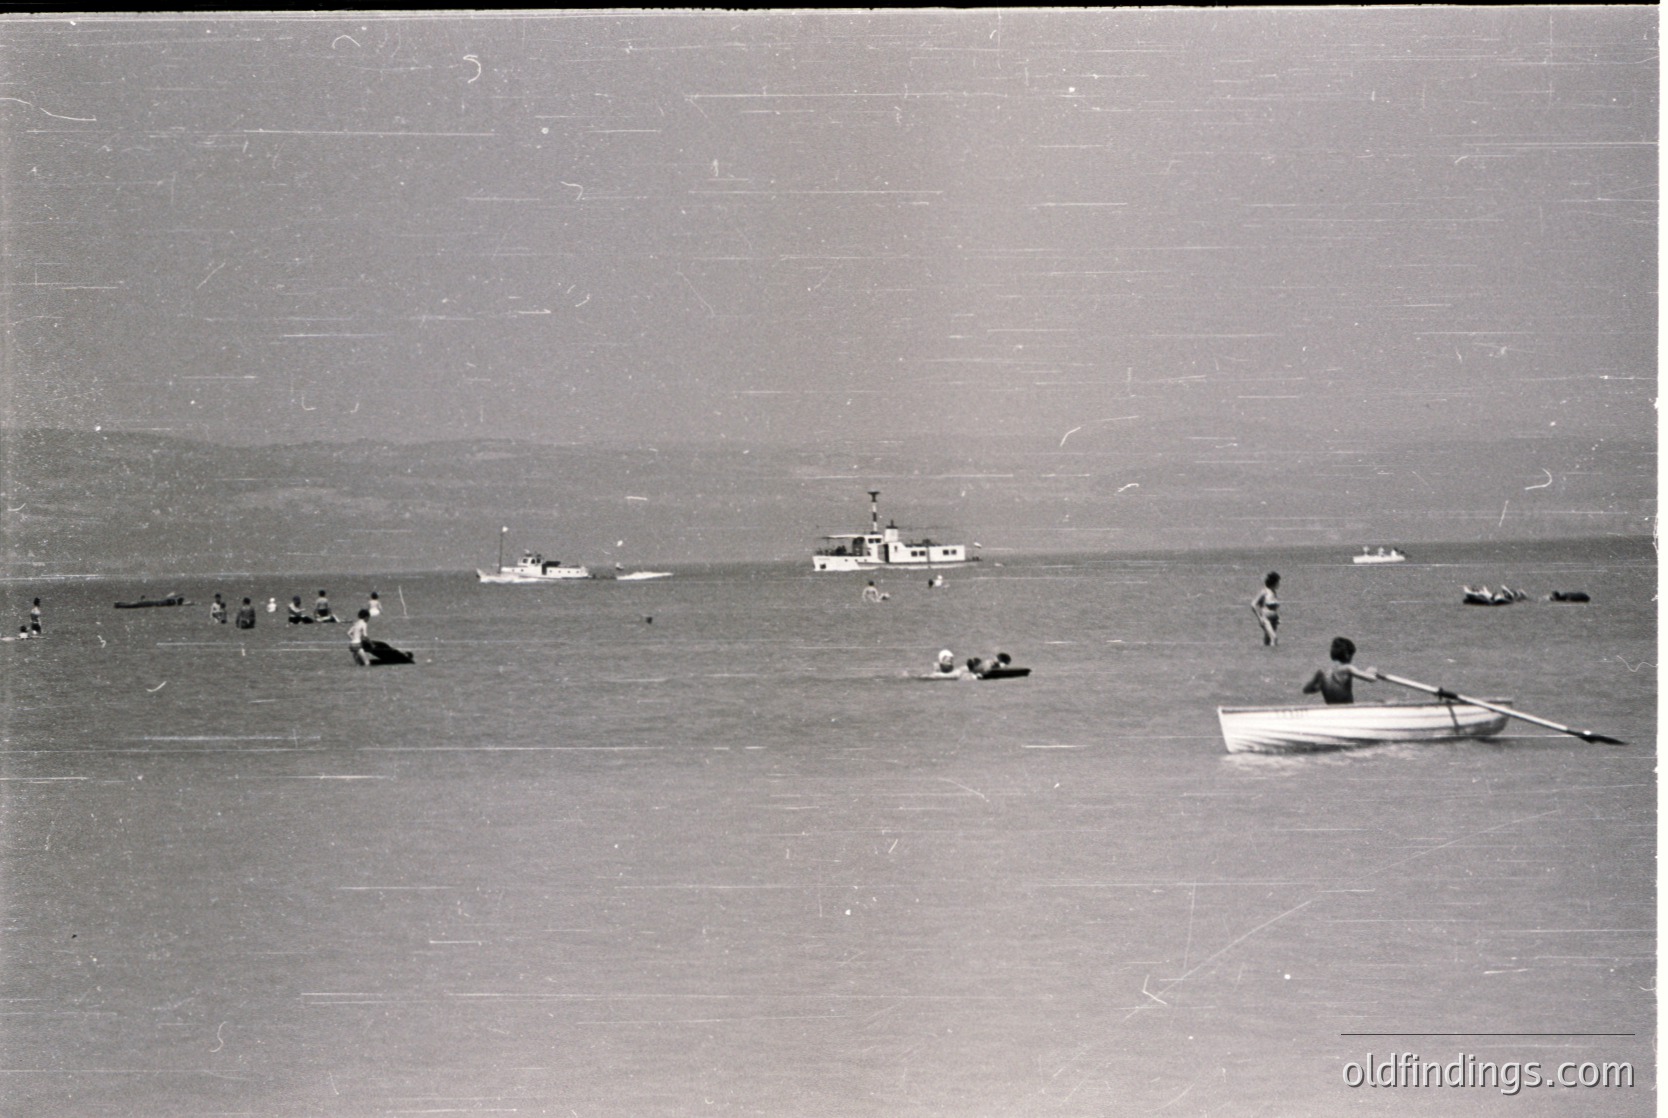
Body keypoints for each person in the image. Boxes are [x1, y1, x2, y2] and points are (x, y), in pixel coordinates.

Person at [1302, 637, 1380, 705]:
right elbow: (1372, 679)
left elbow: (1306, 690)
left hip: (1331, 711)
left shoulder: (1321, 672)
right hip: (1347, 711)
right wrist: (1370, 671)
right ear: (1347, 655)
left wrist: (1322, 686)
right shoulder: (1347, 668)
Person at [1251, 572, 1280, 647]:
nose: (1279, 584)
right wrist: (1259, 618)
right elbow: (1253, 605)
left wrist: (1278, 618)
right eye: (1278, 582)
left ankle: (1266, 656)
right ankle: (1274, 657)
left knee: (1268, 641)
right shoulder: (1264, 592)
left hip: (1274, 620)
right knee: (1274, 638)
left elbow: (1274, 608)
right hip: (1265, 619)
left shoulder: (1274, 592)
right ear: (1273, 582)